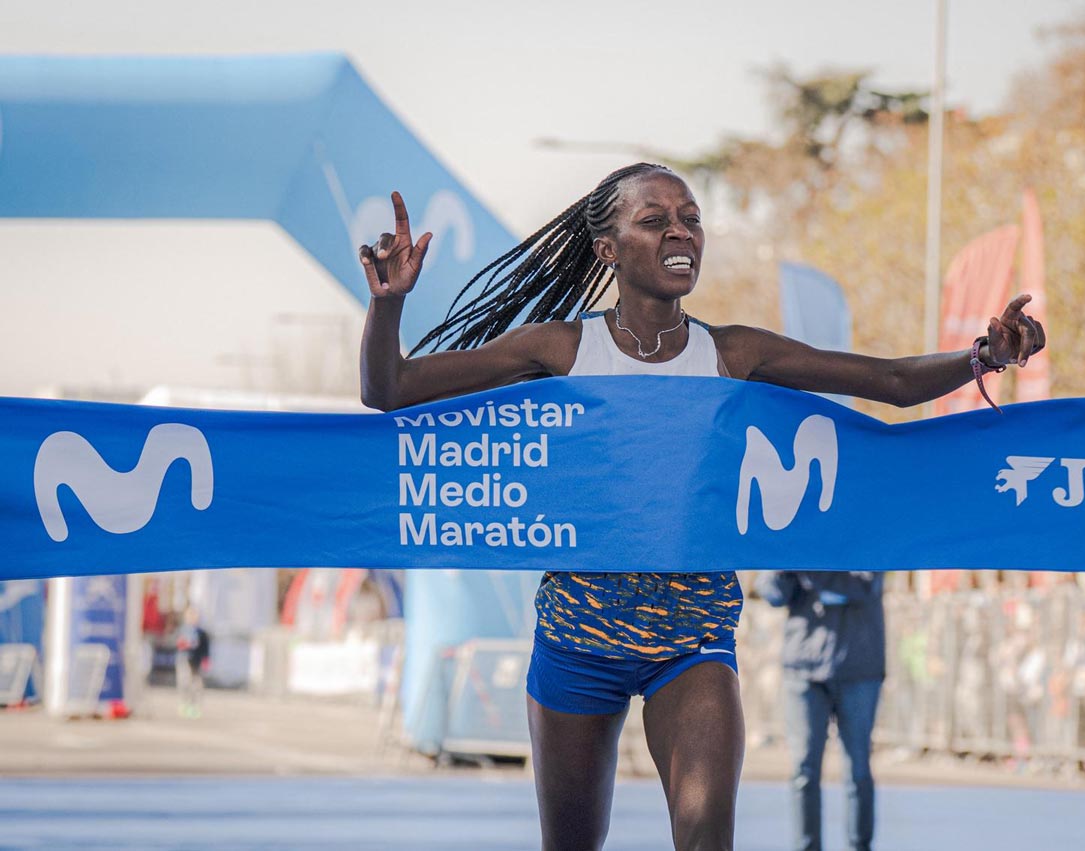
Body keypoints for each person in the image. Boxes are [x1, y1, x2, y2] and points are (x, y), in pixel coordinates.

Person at [357, 162, 1045, 851]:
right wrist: (388, 304)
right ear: (608, 249)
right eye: (654, 221)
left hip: (692, 640)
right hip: (577, 639)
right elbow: (390, 389)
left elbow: (889, 381)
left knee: (706, 840)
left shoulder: (732, 353)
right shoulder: (562, 349)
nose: (680, 231)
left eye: (690, 218)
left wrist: (986, 354)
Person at [756, 571, 885, 851]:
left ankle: (861, 845)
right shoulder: (794, 533)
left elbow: (865, 586)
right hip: (803, 666)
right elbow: (772, 592)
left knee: (858, 769)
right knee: (804, 769)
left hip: (859, 665)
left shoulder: (866, 532)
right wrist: (787, 565)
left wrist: (809, 569)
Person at [174, 605, 209, 719]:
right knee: (184, 683)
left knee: (196, 685)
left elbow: (205, 648)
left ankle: (194, 706)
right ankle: (184, 704)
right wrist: (184, 645)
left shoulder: (201, 633)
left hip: (196, 661)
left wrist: (206, 660)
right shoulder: (182, 630)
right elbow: (178, 644)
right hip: (184, 660)